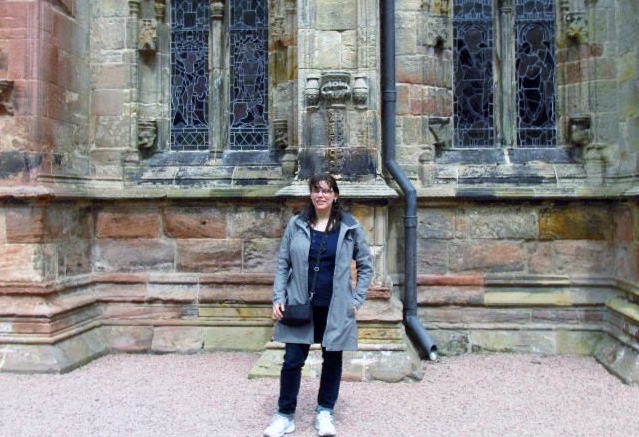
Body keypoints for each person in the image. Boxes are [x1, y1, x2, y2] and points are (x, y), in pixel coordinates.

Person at [263, 174, 373, 437]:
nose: (321, 195)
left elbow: (367, 265)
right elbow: (283, 264)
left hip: (334, 307)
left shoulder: (350, 226)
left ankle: (325, 412)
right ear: (310, 194)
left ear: (335, 195)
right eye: (316, 190)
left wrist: (357, 299)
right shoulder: (296, 224)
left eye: (326, 191)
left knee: (332, 359)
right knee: (292, 360)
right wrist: (278, 297)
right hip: (300, 304)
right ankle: (284, 415)